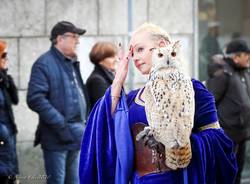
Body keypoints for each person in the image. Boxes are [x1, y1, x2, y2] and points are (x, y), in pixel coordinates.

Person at [79, 23, 237, 184]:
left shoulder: (194, 88)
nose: (135, 58)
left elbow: (218, 141)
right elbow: (102, 125)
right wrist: (118, 79)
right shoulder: (132, 98)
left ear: (161, 46)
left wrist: (175, 143)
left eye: (140, 49)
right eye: (132, 53)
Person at [27, 21, 90, 184]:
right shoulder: (44, 64)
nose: (77, 41)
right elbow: (35, 99)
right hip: (56, 137)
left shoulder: (71, 62)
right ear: (59, 39)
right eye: (74, 37)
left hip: (75, 135)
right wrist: (61, 124)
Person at [207, 39, 250, 184]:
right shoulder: (222, 73)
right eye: (246, 55)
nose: (249, 58)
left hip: (242, 134)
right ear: (236, 57)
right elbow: (210, 103)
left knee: (237, 175)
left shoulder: (243, 73)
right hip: (227, 137)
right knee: (225, 177)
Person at [0, 40, 19, 184]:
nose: (6, 58)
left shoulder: (3, 79)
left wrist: (5, 74)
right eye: (3, 55)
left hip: (8, 137)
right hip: (2, 137)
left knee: (9, 176)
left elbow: (15, 99)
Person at [86, 41, 117, 109]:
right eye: (111, 57)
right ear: (100, 60)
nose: (115, 59)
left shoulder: (108, 75)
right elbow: (105, 107)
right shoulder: (97, 80)